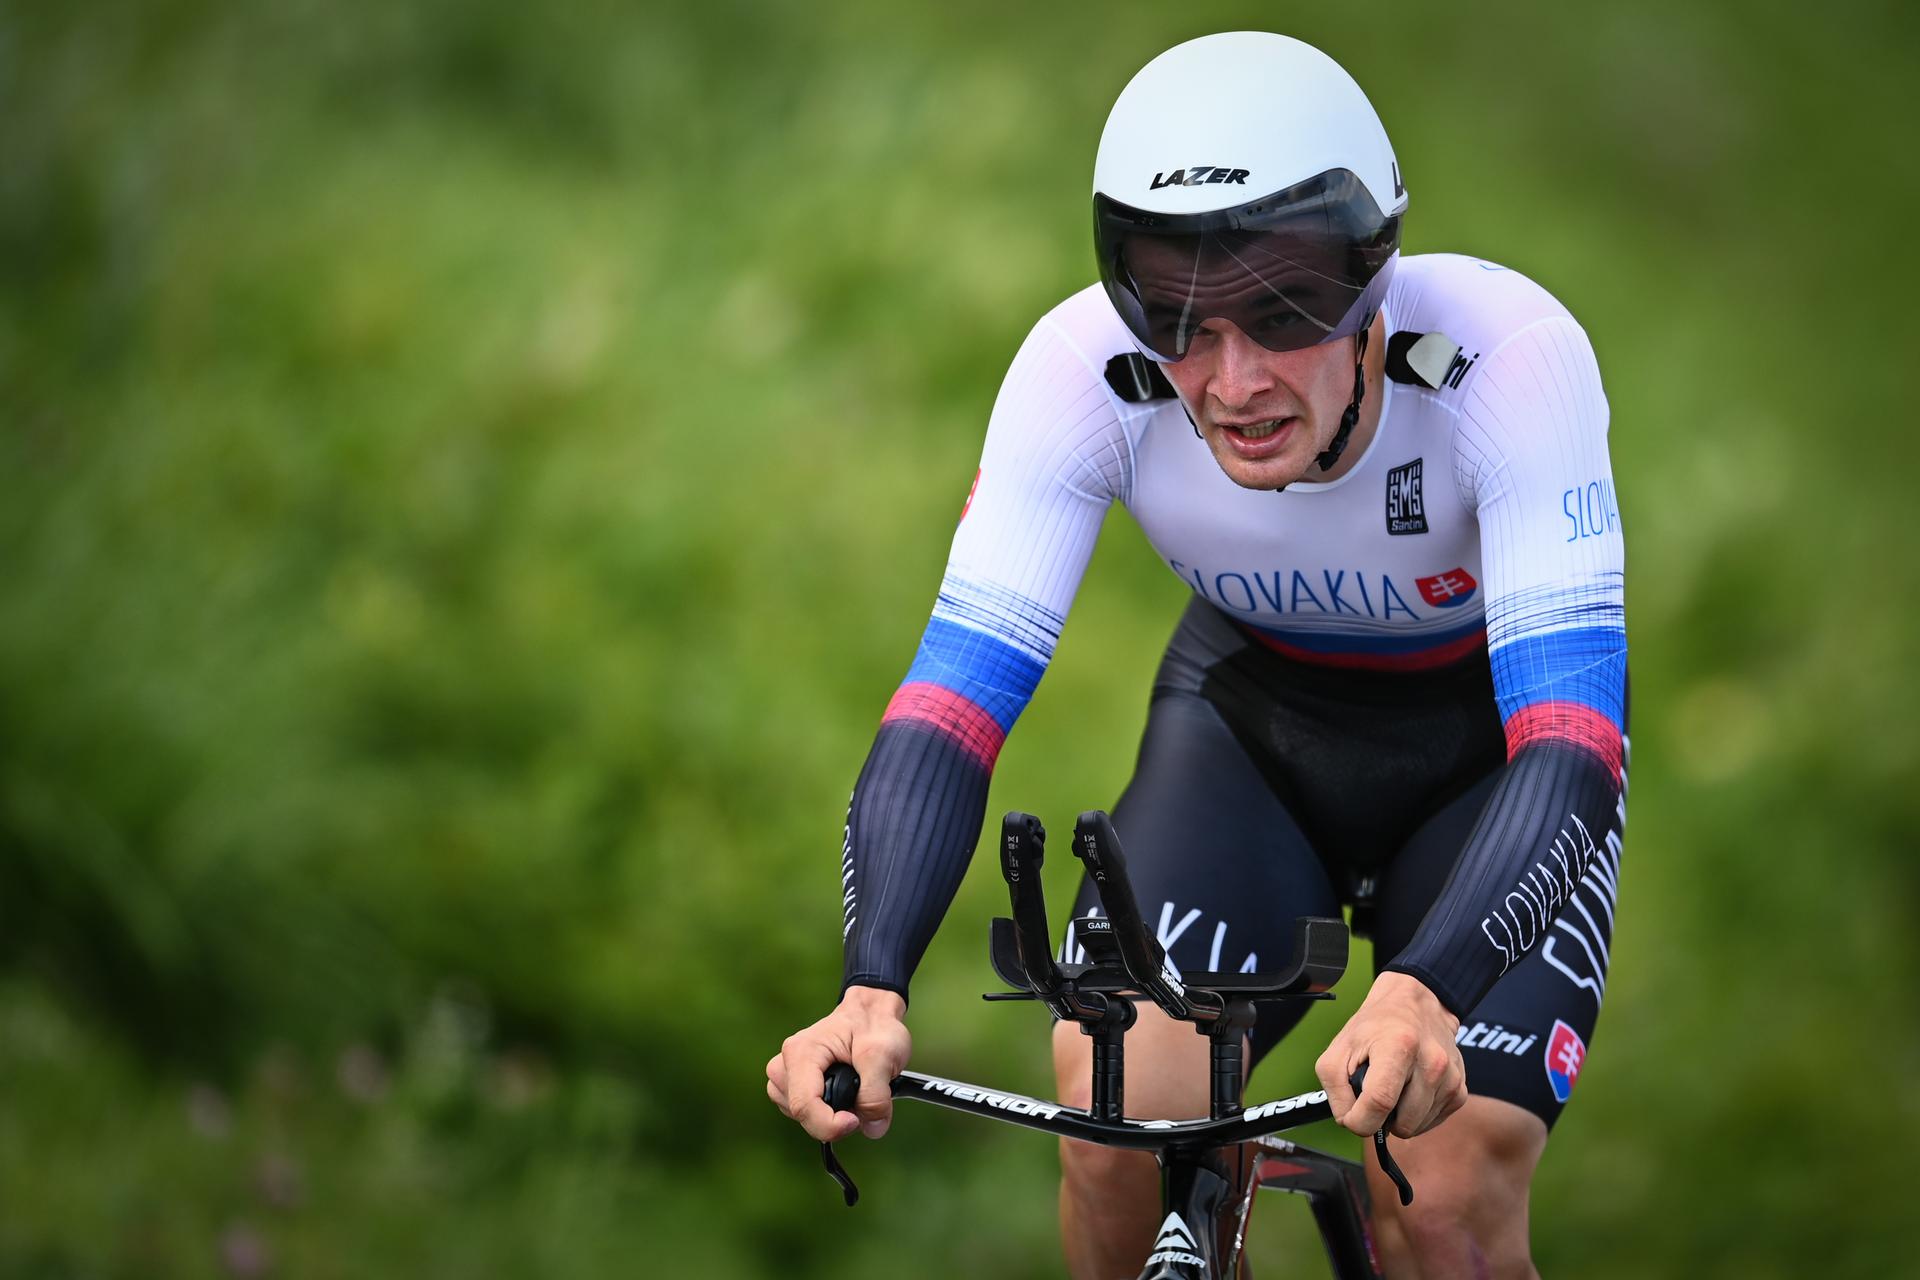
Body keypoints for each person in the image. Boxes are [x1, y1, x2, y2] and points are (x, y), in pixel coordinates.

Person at [768, 30, 1627, 1279]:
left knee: (1440, 1193)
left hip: (1493, 762)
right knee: (1123, 1119)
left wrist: (1432, 988)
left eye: (1282, 312)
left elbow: (1570, 747)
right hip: (1252, 737)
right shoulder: (1080, 373)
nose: (1230, 380)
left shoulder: (1512, 357)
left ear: (1374, 282)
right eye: (1174, 314)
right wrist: (870, 983)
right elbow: (948, 713)